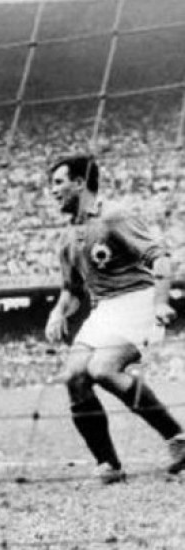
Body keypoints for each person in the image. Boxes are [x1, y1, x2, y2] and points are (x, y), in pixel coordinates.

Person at [44, 155, 185, 484]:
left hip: (138, 300)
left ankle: (177, 438)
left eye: (59, 183)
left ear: (80, 183)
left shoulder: (113, 216)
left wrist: (161, 303)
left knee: (102, 369)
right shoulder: (67, 238)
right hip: (104, 309)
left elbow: (160, 258)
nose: (53, 191)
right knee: (74, 376)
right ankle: (108, 464)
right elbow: (72, 289)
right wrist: (57, 312)